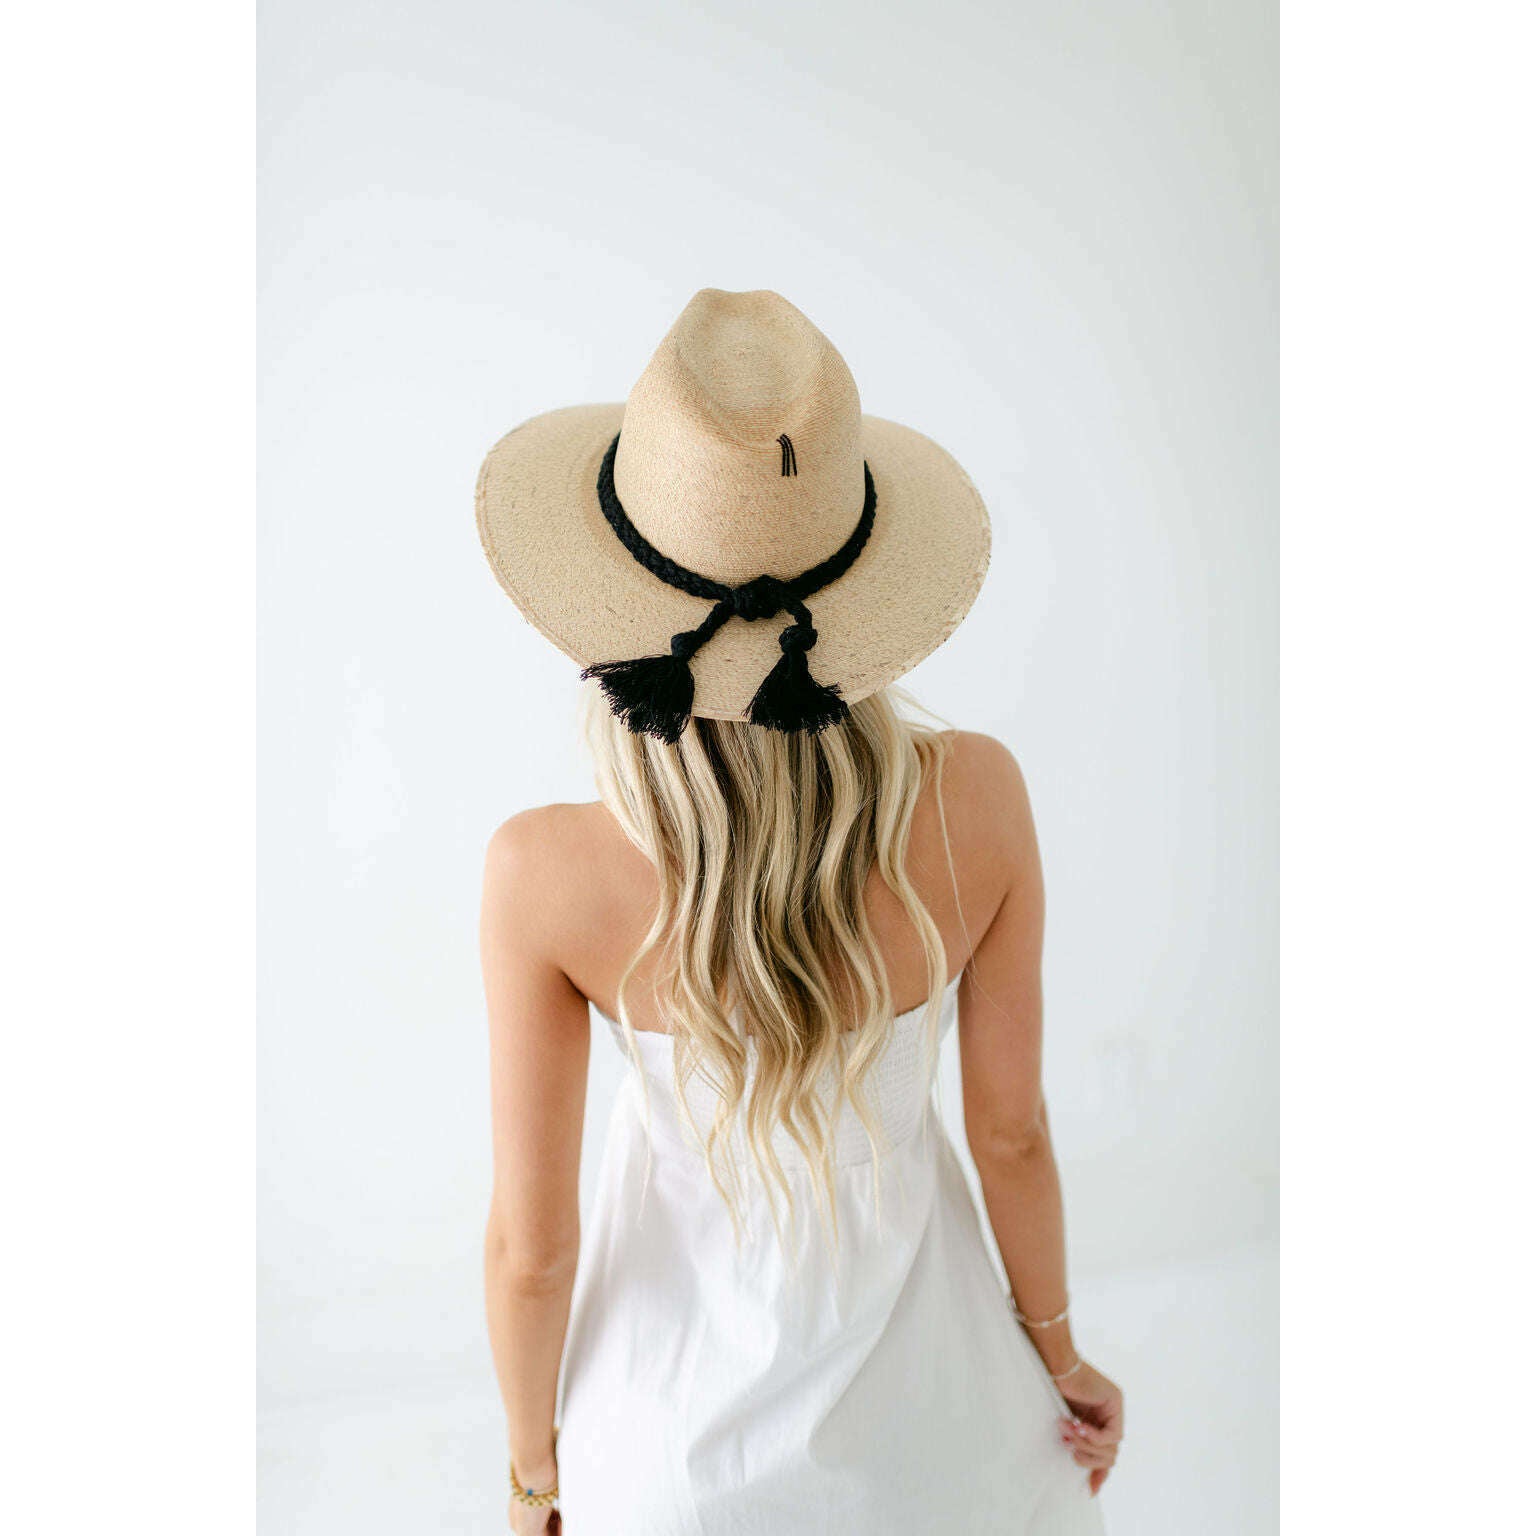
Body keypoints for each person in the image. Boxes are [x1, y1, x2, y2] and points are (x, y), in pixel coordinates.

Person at [477, 289, 1123, 1533]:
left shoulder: (544, 874)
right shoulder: (977, 799)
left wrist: (533, 1469)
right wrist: (1061, 1355)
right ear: (861, 586)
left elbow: (532, 1251)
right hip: (944, 1450)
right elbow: (1012, 1138)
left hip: (672, 1467)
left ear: (608, 600)